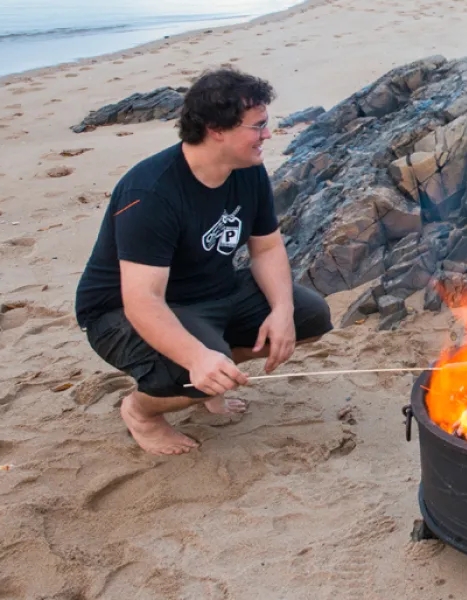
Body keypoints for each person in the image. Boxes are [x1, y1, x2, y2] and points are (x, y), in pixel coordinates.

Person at [74, 68, 333, 456]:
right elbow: (143, 300)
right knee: (192, 374)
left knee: (309, 316)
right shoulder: (151, 192)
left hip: (212, 291)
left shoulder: (247, 171)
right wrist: (197, 357)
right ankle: (141, 411)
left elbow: (266, 249)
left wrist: (281, 310)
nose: (268, 135)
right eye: (258, 126)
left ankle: (215, 366)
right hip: (123, 312)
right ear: (216, 129)